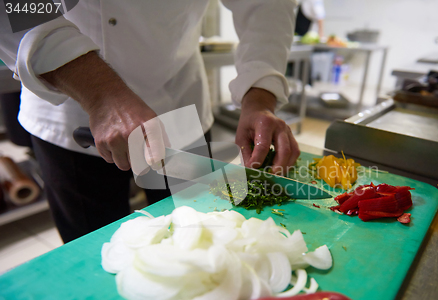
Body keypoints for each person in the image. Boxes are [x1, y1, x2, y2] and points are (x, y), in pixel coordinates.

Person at [0, 0, 300, 243]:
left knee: (200, 237)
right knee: (95, 249)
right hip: (72, 105)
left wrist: (260, 95)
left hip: (179, 101)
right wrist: (101, 95)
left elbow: (267, 4)